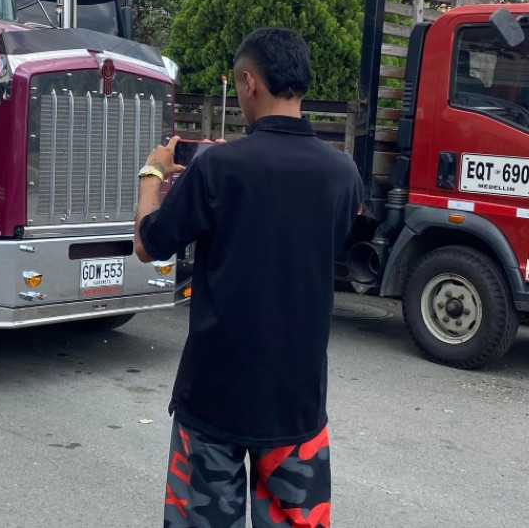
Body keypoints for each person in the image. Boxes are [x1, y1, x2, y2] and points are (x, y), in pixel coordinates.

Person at [134, 27, 363, 528]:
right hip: (296, 399)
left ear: (248, 81)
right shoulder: (343, 174)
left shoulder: (218, 167)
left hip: (215, 395)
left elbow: (149, 245)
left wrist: (153, 175)